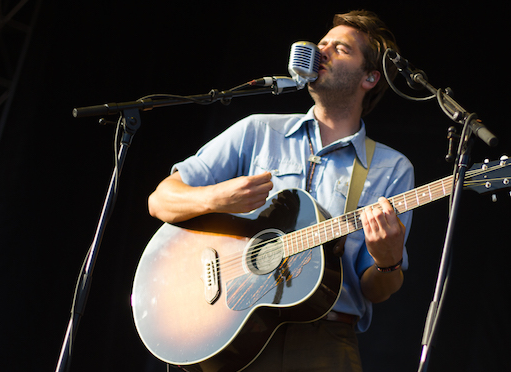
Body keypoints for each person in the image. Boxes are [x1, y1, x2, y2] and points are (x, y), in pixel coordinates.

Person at [148, 10, 414, 371]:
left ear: (370, 77)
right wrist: (217, 198)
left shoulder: (391, 168)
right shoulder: (257, 131)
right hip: (232, 325)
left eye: (341, 48)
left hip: (324, 342)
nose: (323, 51)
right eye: (322, 44)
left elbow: (375, 290)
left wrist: (388, 261)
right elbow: (161, 199)